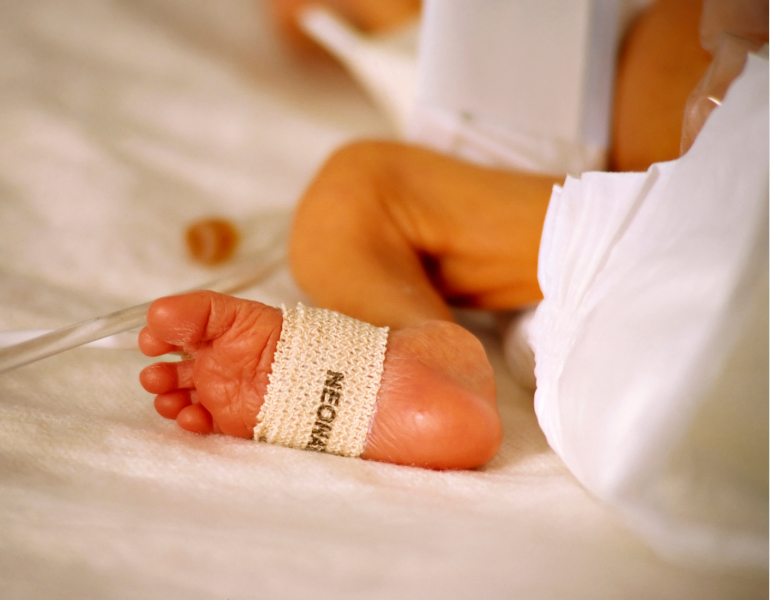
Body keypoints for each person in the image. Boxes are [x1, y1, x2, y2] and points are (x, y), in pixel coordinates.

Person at [137, 0, 715, 470]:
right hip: (608, 251)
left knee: (357, 191)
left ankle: (426, 351)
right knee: (353, 197)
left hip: (681, 230)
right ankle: (419, 354)